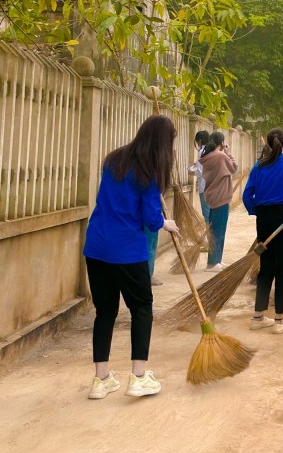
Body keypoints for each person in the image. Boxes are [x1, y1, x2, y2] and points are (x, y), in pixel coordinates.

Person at [83, 115, 181, 399]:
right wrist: (165, 223)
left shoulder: (113, 160)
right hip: (127, 251)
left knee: (105, 312)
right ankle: (138, 377)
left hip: (97, 246)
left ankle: (101, 380)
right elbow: (151, 219)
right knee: (141, 308)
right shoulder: (148, 173)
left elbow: (109, 200)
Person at [242, 128, 283, 335]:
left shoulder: (259, 166)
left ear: (267, 143)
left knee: (266, 267)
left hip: (264, 220)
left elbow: (247, 196)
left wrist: (257, 211)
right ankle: (278, 320)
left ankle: (258, 317)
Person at [198, 130, 238, 270]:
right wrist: (228, 153)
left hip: (212, 196)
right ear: (222, 143)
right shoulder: (220, 156)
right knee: (218, 231)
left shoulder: (207, 156)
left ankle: (217, 260)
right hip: (221, 197)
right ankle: (213, 263)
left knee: (215, 230)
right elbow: (234, 167)